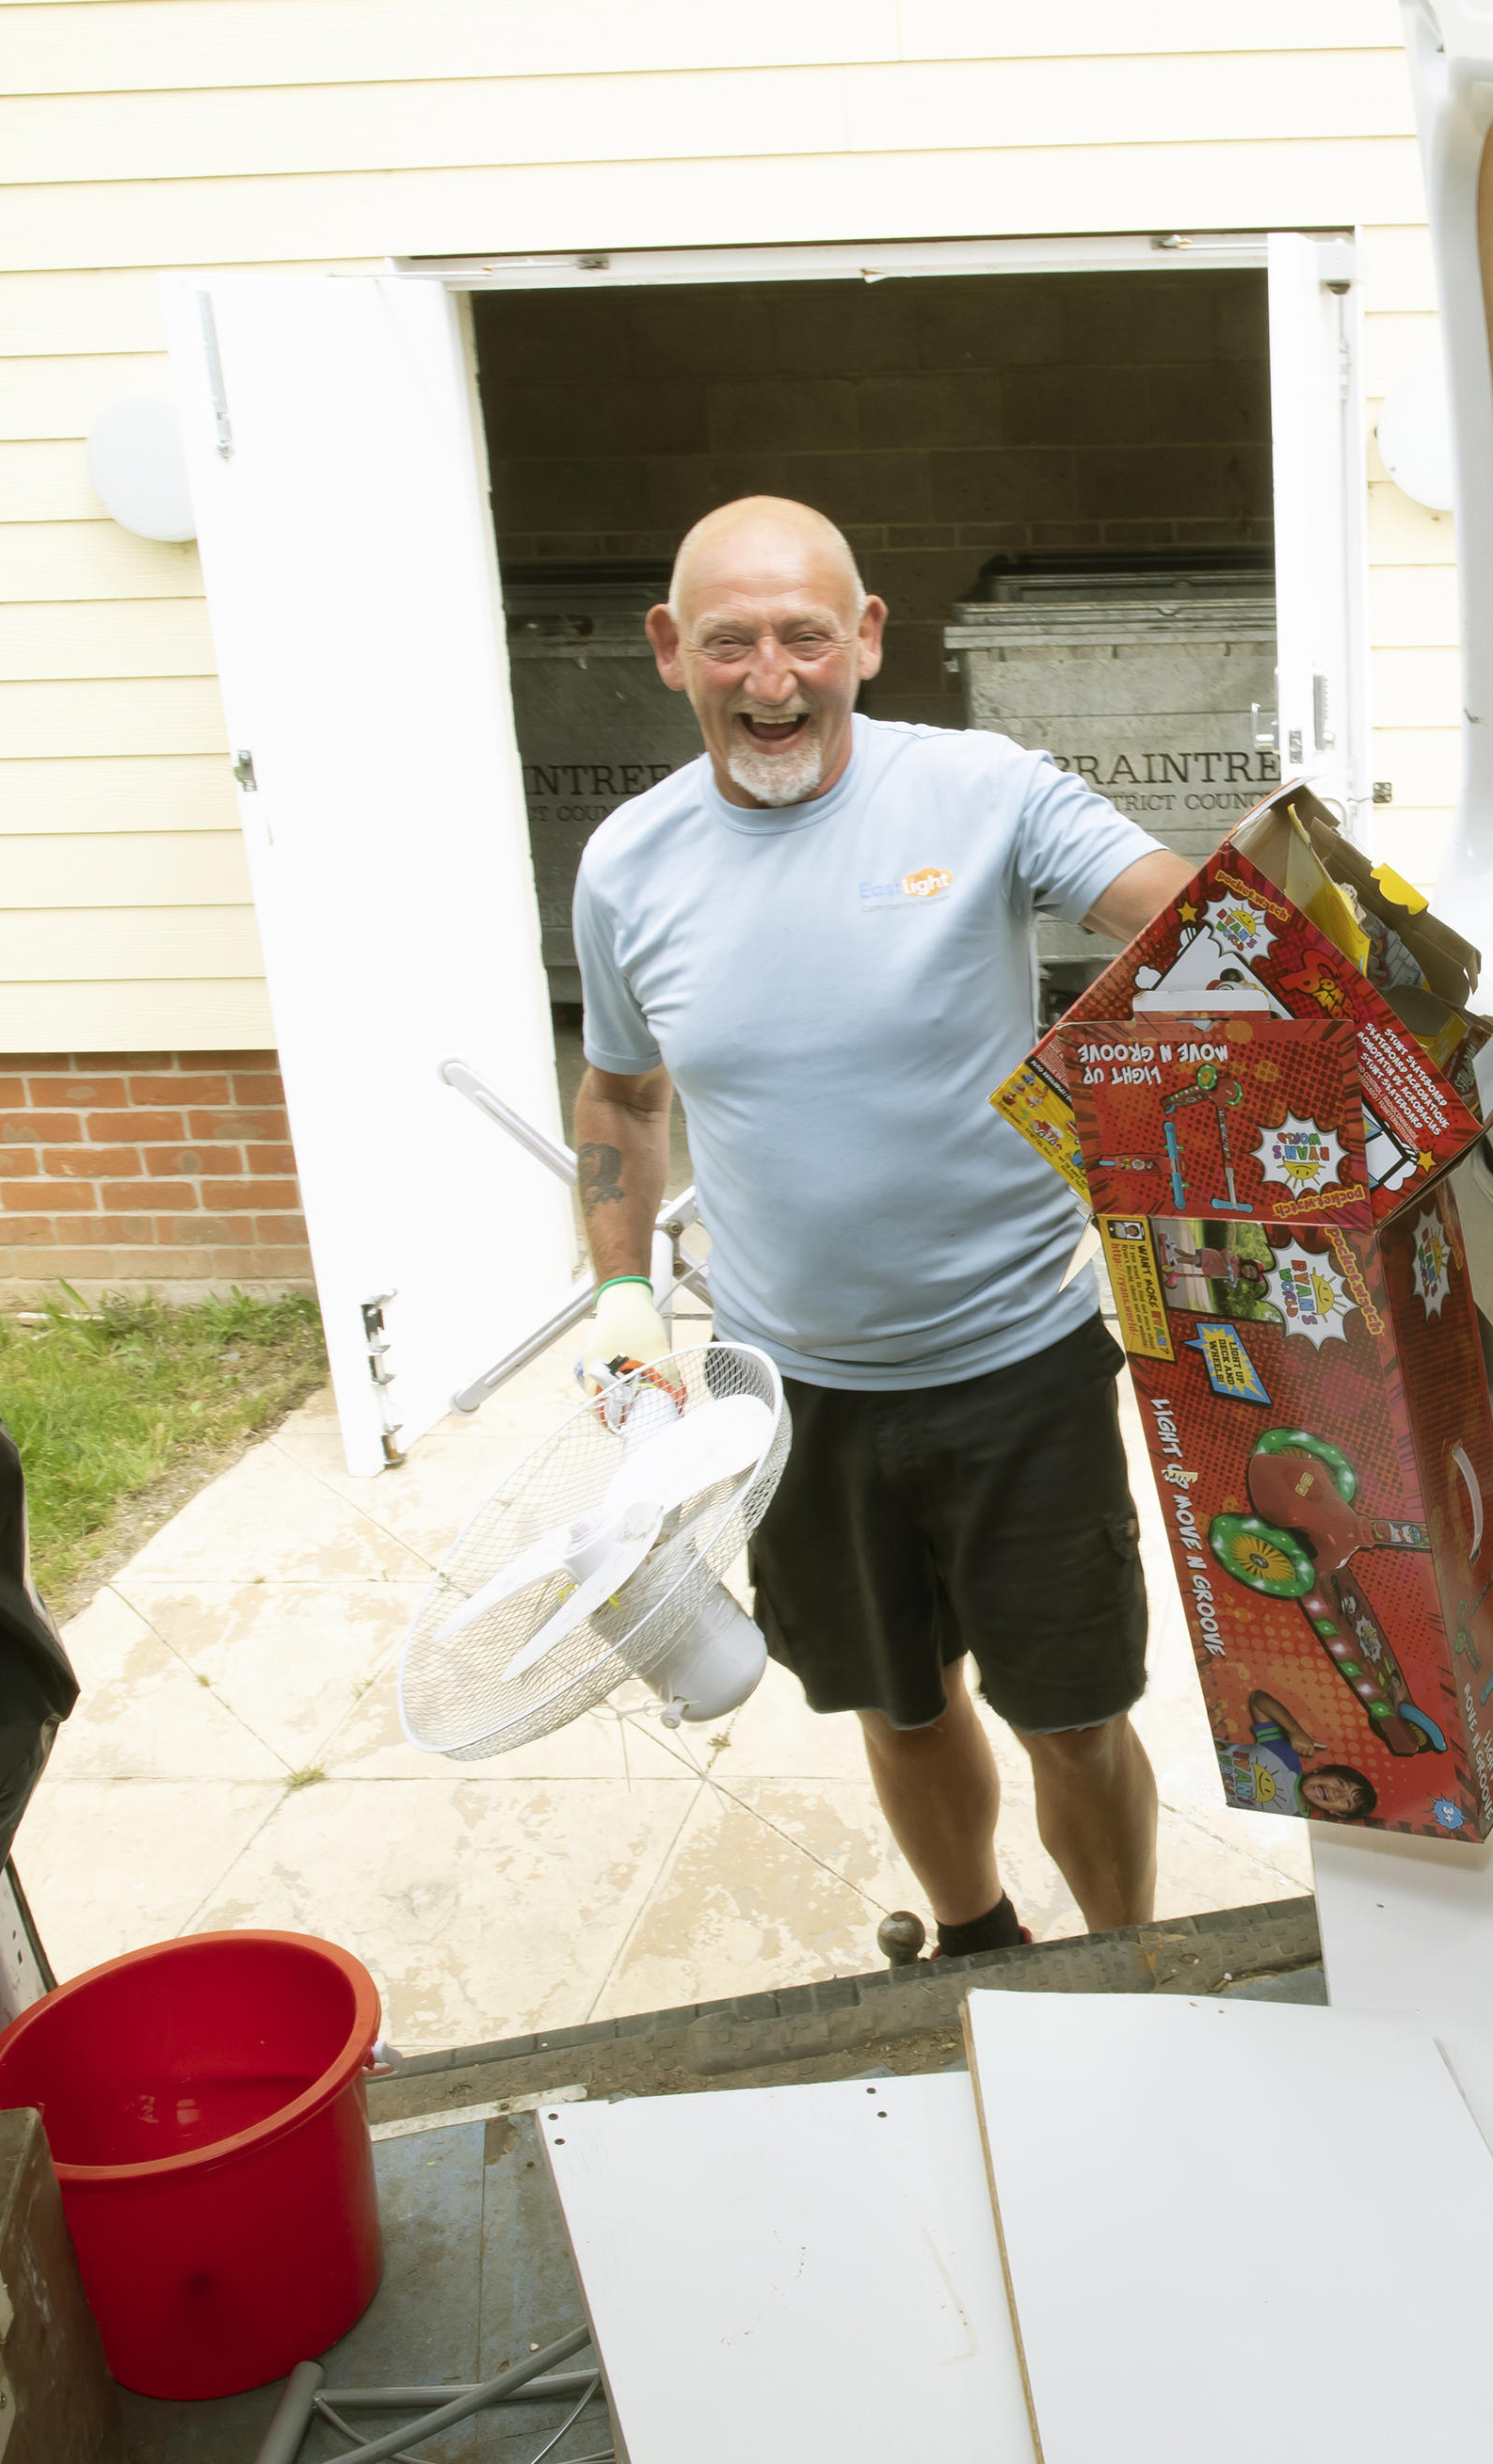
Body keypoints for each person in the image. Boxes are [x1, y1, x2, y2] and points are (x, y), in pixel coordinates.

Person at [565, 496, 1195, 1958]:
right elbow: (618, 1094)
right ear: (672, 650)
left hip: (1018, 1375)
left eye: (804, 635)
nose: (771, 678)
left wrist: (1279, 911)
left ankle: (1129, 1961)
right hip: (800, 1401)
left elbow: (1167, 918)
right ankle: (974, 1936)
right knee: (899, 1705)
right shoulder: (628, 865)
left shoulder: (984, 792)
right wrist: (619, 1298)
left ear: (867, 639)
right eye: (730, 641)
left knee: (1078, 1718)